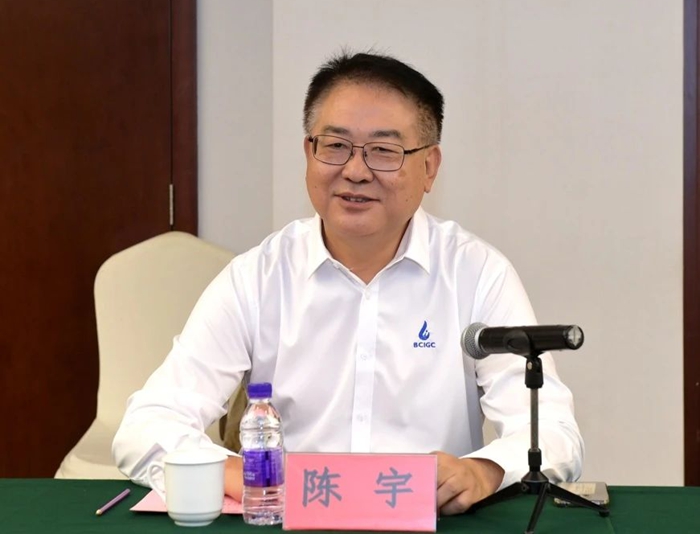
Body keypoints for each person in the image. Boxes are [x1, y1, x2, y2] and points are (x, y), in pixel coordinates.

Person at [113, 50, 583, 514]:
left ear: (429, 167)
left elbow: (553, 432)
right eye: (335, 146)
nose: (355, 171)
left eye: (384, 151)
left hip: (429, 521)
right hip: (294, 519)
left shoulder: (476, 273)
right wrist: (236, 470)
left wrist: (484, 471)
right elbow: (146, 426)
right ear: (309, 153)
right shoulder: (259, 276)